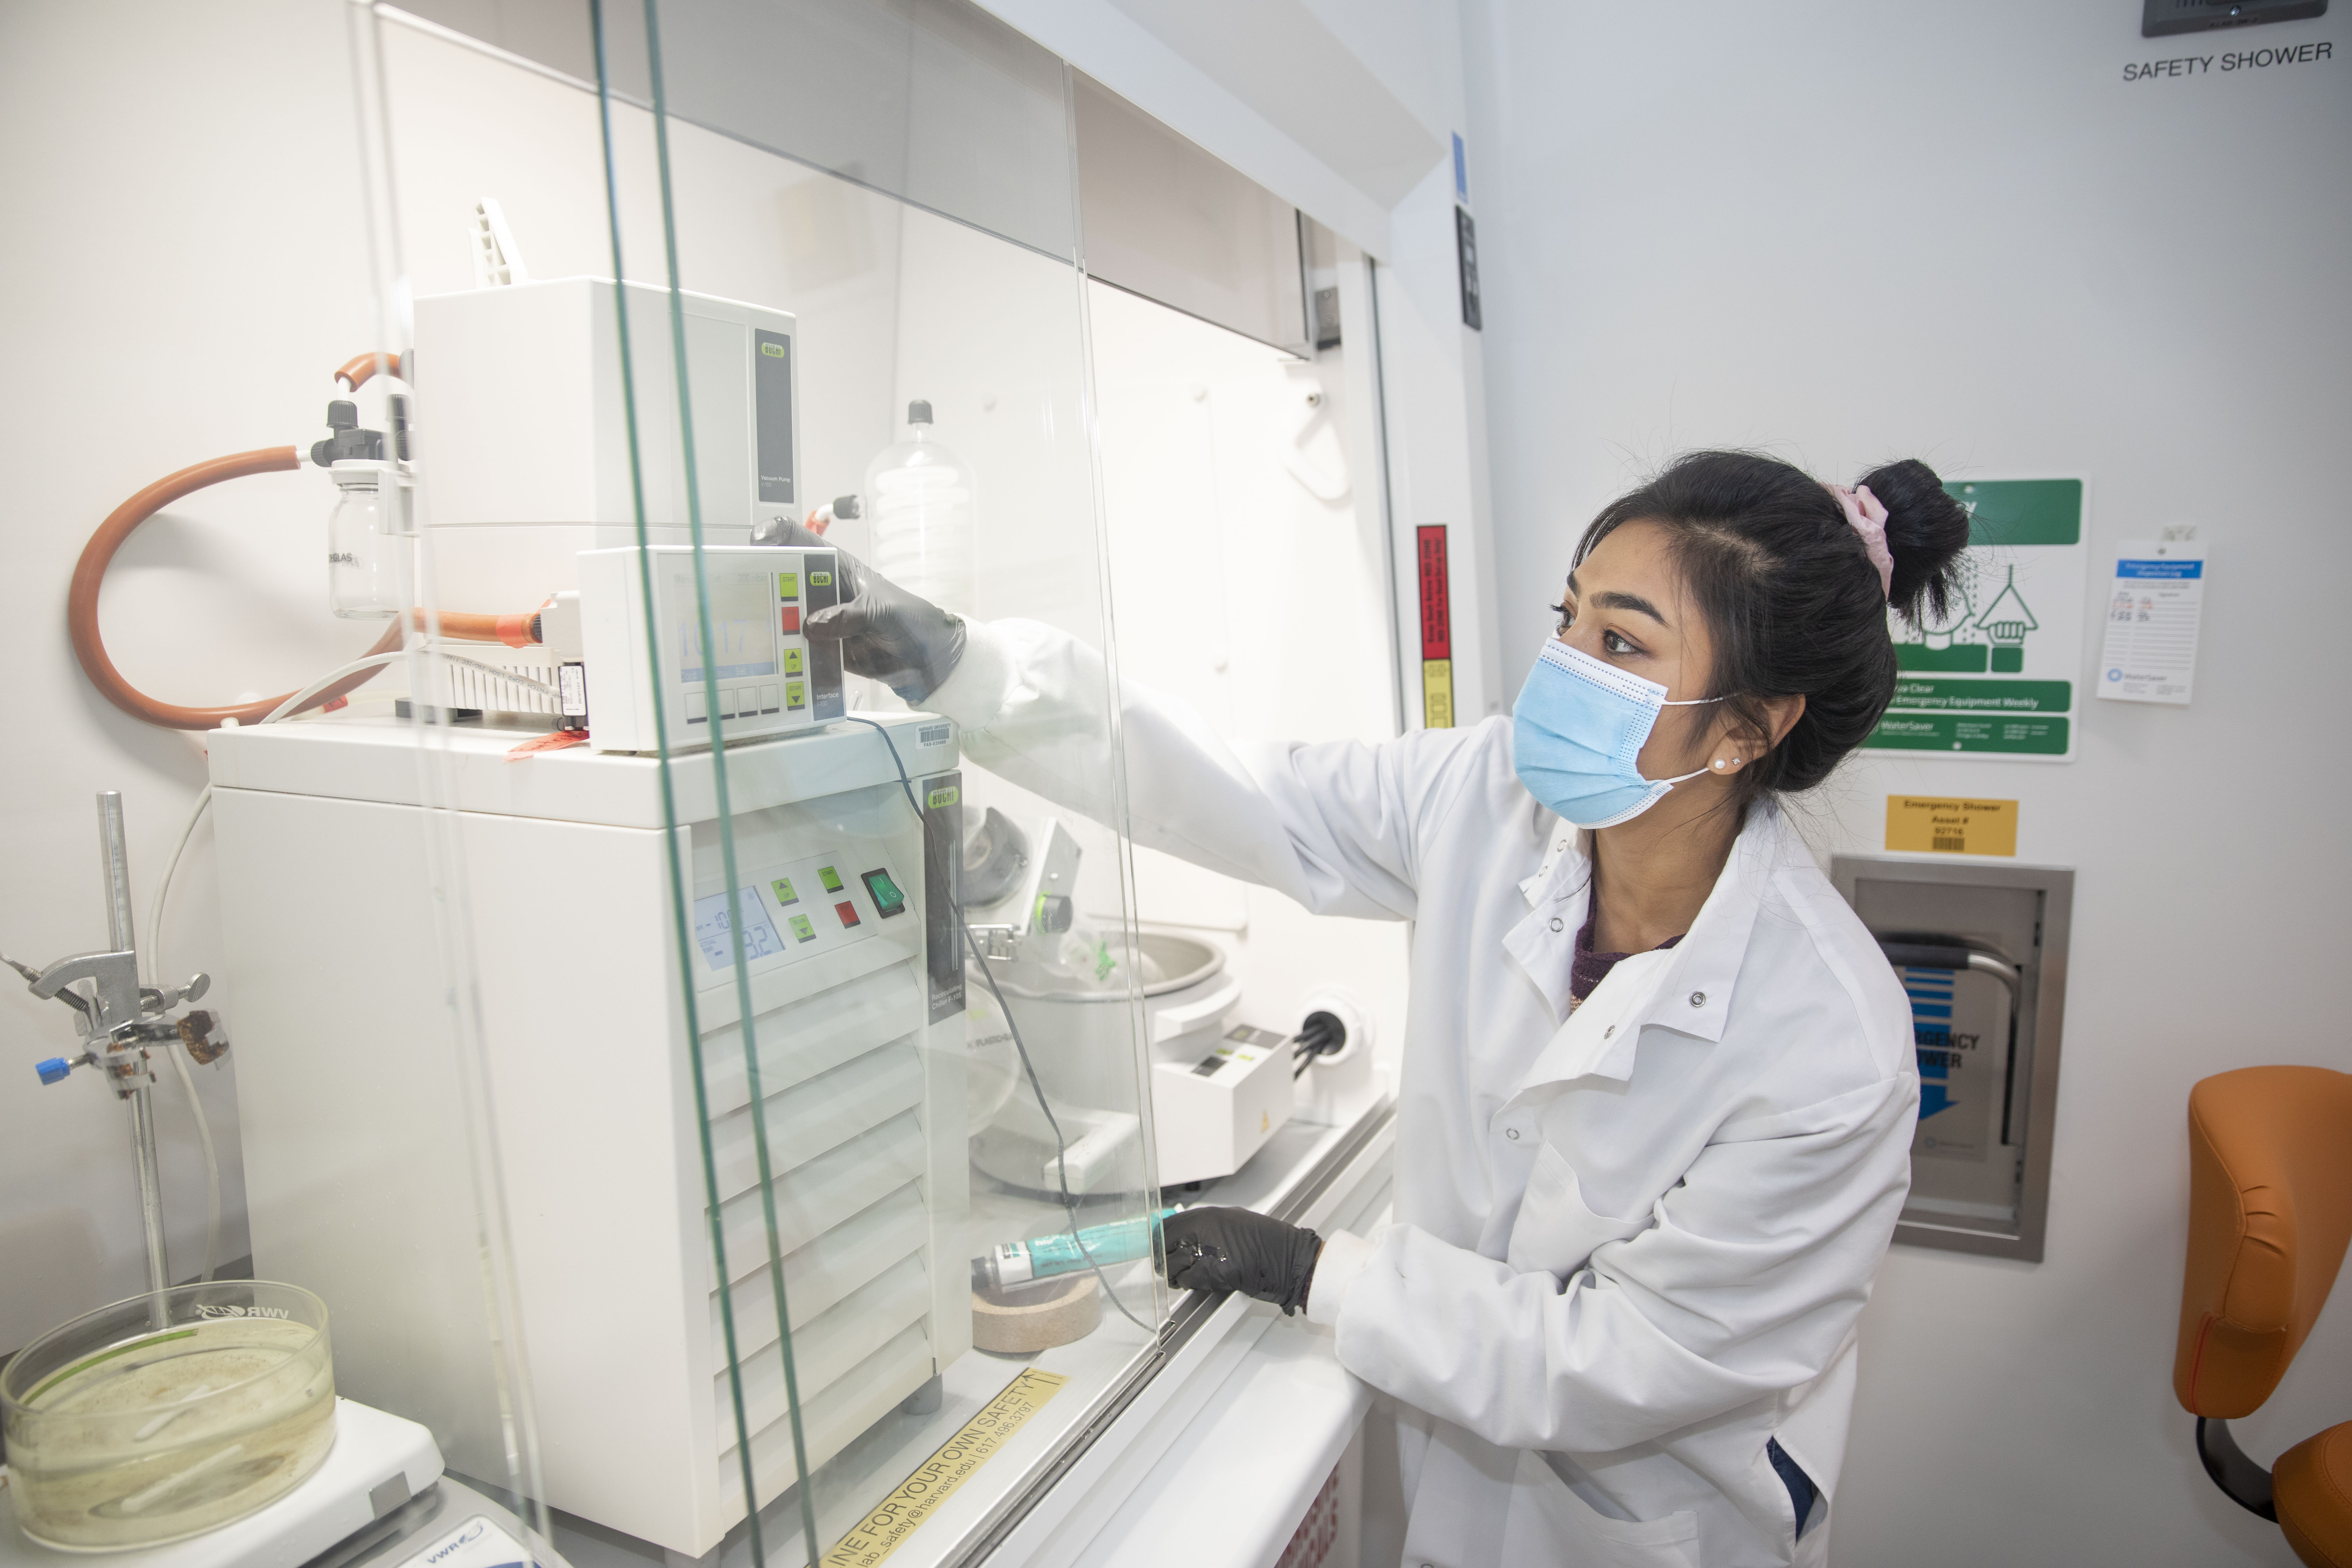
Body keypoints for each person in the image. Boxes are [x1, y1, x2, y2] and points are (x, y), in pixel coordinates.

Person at [791, 449, 1970, 1568]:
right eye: (1567, 618)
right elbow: (1239, 793)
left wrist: (1316, 1271)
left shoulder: (1830, 1045)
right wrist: (959, 666)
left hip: (1654, 1521)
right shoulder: (1487, 795)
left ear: (1751, 727)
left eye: (1620, 642)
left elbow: (1624, 1359)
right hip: (1459, 1469)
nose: (1561, 666)